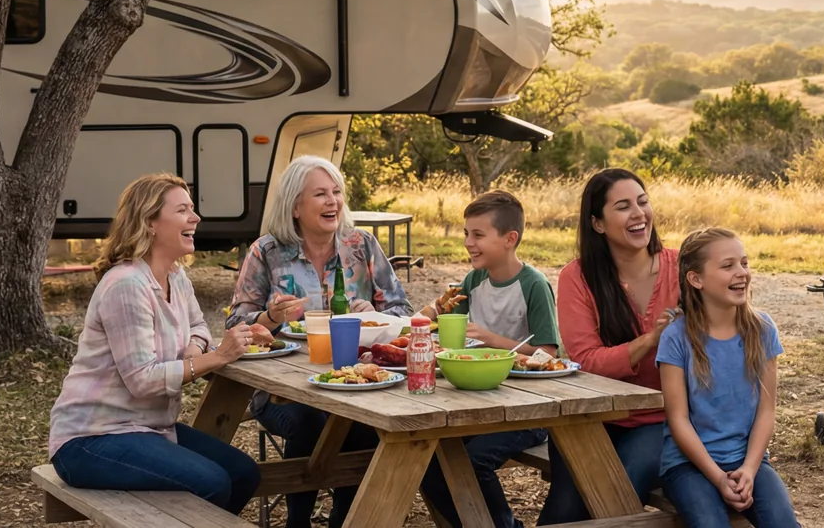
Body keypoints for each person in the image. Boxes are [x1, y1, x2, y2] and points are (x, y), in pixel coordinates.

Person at [47, 173, 265, 514]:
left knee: (243, 474)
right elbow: (142, 380)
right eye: (182, 210)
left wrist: (194, 350)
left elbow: (198, 326)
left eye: (192, 209)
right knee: (212, 483)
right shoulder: (126, 285)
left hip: (151, 428)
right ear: (150, 222)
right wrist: (217, 357)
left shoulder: (175, 277)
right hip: (92, 439)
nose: (195, 218)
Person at [227, 155, 411, 528]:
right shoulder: (267, 252)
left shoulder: (361, 245)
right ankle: (298, 522)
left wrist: (372, 315)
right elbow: (235, 323)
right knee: (309, 422)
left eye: (337, 192)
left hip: (355, 380)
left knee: (362, 427)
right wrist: (271, 318)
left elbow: (401, 309)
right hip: (283, 388)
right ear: (295, 205)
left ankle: (344, 521)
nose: (333, 201)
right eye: (320, 194)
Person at [539, 168, 680, 525]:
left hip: (665, 420)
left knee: (613, 498)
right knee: (564, 511)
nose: (638, 214)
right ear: (598, 224)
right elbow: (586, 361)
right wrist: (650, 341)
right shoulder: (578, 276)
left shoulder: (683, 268)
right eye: (623, 206)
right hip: (592, 417)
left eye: (643, 202)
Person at [419, 190, 563, 527]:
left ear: (509, 239)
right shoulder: (473, 280)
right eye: (466, 233)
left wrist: (494, 341)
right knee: (428, 459)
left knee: (472, 462)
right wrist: (432, 317)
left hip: (528, 409)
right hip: (478, 400)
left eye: (478, 235)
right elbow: (450, 329)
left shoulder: (534, 284)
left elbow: (549, 354)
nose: (468, 242)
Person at [657, 228, 799, 528]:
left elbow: (766, 410)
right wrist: (719, 477)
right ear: (696, 280)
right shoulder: (675, 339)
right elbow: (678, 420)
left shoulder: (762, 330)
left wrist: (749, 468)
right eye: (727, 266)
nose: (741, 273)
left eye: (744, 263)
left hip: (749, 460)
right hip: (688, 466)